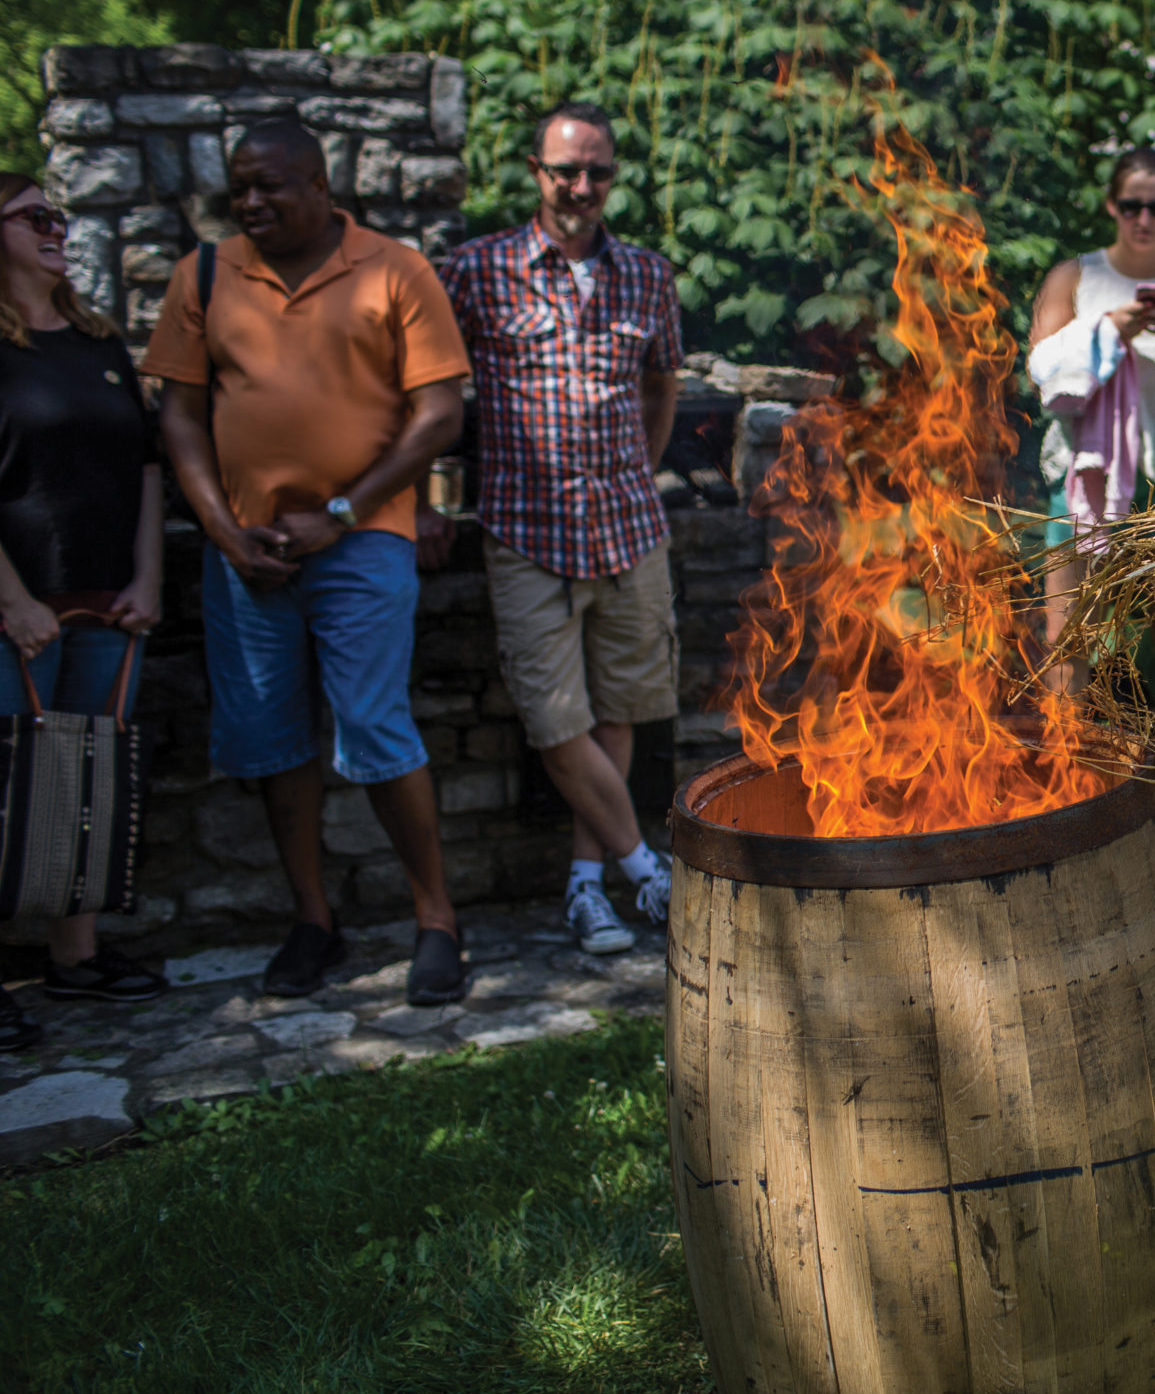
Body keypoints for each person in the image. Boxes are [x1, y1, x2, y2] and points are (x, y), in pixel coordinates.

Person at [142, 120, 471, 1006]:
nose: (252, 203)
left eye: (271, 187)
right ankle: (312, 919)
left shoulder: (395, 269)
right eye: (239, 187)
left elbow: (438, 413)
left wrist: (341, 513)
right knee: (271, 736)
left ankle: (437, 918)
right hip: (248, 551)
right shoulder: (206, 274)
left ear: (322, 187)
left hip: (360, 539)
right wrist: (223, 530)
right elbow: (179, 414)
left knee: (374, 724)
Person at [439, 101, 684, 957]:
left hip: (626, 524)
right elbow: (434, 396)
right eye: (565, 170)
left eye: (598, 172)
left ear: (613, 177)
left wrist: (638, 469)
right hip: (525, 528)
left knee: (618, 710)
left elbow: (663, 387)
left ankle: (587, 889)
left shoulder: (648, 275)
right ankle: (646, 869)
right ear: (536, 173)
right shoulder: (476, 269)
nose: (582, 186)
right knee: (554, 718)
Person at [0, 175, 169, 1048]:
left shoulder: (101, 341)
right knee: (4, 790)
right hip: (14, 610)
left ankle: (76, 957)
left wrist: (148, 578)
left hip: (109, 603)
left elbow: (145, 465)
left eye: (59, 215)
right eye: (34, 217)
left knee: (88, 785)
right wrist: (12, 598)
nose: (56, 229)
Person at [1028, 146, 1155, 775]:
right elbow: (1041, 370)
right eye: (1132, 205)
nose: (1144, 218)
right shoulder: (1075, 278)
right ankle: (1068, 777)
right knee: (1067, 635)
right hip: (1086, 474)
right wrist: (1109, 329)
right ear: (1112, 206)